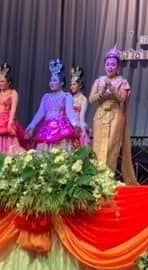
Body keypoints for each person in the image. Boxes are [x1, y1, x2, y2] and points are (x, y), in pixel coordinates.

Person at [88, 46, 136, 183]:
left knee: (111, 148)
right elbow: (91, 99)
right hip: (100, 115)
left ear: (118, 67)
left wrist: (113, 88)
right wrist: (101, 92)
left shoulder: (122, 82)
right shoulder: (99, 81)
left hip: (115, 116)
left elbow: (122, 98)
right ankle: (97, 180)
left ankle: (107, 180)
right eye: (108, 64)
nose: (110, 67)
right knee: (98, 148)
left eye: (113, 64)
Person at [26, 59, 79, 152]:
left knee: (58, 152)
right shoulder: (46, 97)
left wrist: (76, 124)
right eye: (51, 80)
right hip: (47, 128)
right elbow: (40, 113)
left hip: (60, 128)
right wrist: (32, 125)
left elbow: (70, 113)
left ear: (62, 83)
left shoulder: (66, 96)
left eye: (55, 80)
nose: (51, 82)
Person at [0, 63, 26, 155]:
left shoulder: (13, 93)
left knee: (9, 147)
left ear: (8, 82)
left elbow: (13, 109)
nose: (0, 84)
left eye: (3, 81)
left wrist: (10, 122)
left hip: (7, 121)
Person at [69, 66, 90, 148]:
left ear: (80, 85)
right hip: (67, 125)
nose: (71, 87)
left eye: (74, 84)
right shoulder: (69, 98)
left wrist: (83, 128)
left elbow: (81, 117)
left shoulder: (83, 99)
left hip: (77, 125)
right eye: (71, 84)